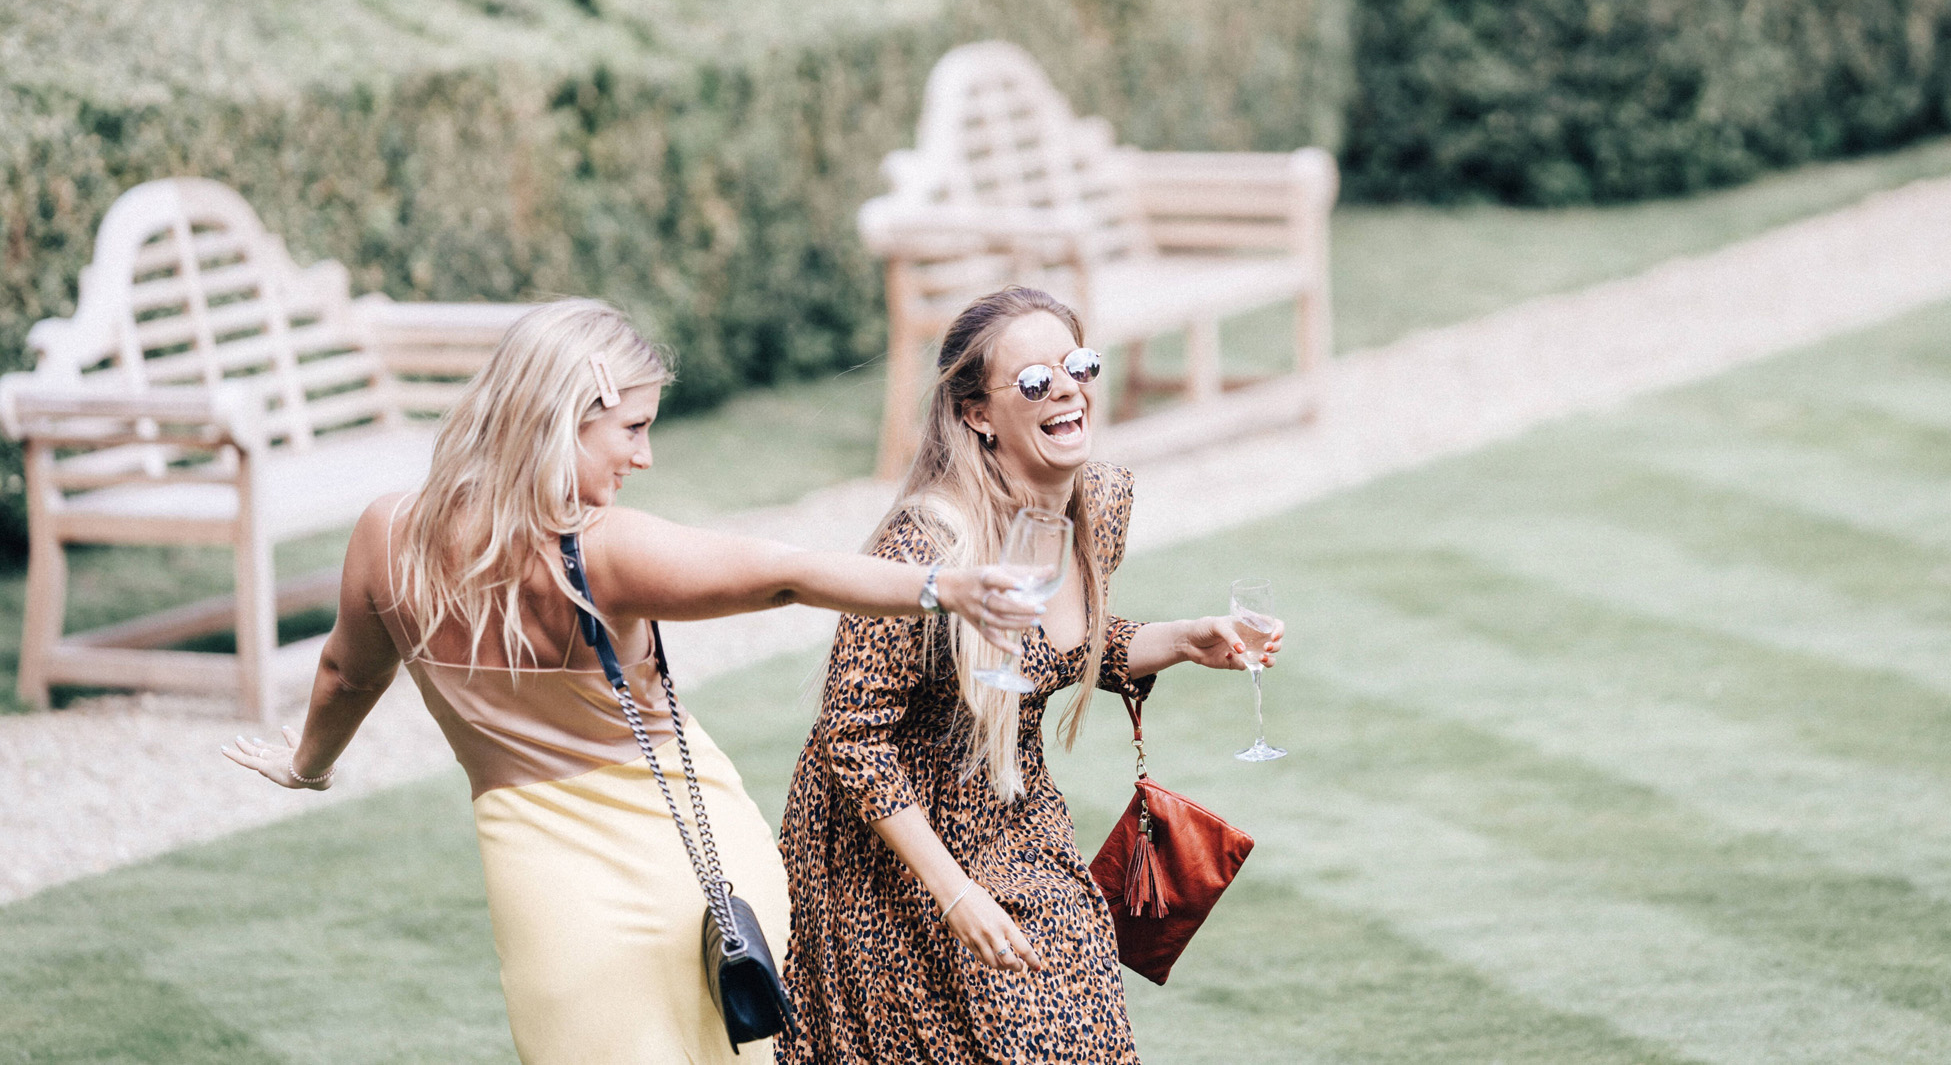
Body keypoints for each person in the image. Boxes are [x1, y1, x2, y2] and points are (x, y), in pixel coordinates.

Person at [222, 298, 1037, 1065]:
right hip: (702, 864)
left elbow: (344, 674)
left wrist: (309, 765)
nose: (644, 454)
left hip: (548, 886)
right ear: (560, 420)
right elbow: (784, 576)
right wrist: (938, 587)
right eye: (633, 427)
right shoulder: (599, 549)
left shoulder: (386, 534)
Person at [779, 286, 1284, 1063]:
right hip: (890, 835)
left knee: (1079, 1004)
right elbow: (851, 735)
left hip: (1011, 805)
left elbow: (1059, 648)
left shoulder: (1101, 500)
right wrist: (954, 893)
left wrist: (1184, 639)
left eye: (1076, 364)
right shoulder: (925, 542)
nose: (1068, 389)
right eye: (1034, 380)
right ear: (979, 413)